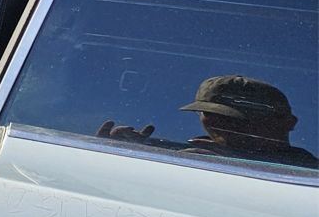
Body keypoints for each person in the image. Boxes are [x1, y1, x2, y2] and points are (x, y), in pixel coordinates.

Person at [97, 73, 319, 168]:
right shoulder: (191, 153)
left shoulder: (307, 172)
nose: (216, 124)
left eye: (235, 116)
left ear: (287, 123)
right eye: (207, 113)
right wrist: (125, 155)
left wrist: (239, 164)